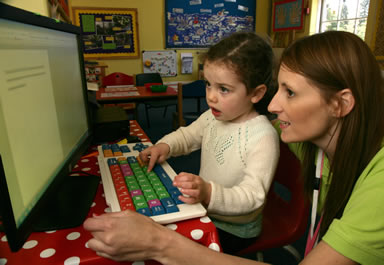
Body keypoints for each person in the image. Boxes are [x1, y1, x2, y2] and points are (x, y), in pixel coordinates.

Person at [84, 31, 384, 264]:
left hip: (235, 225)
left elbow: (253, 181)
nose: (275, 106)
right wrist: (166, 144)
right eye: (279, 88)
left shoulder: (378, 185)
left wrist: (159, 242)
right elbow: (191, 134)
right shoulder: (310, 143)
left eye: (290, 93)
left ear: (340, 103)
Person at [138, 32, 280, 254]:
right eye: (208, 84)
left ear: (256, 93)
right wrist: (163, 146)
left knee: (172, 248)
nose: (211, 97)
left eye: (223, 89)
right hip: (205, 208)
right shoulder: (214, 116)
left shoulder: (263, 136)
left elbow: (253, 197)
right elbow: (188, 136)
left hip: (235, 230)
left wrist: (208, 193)